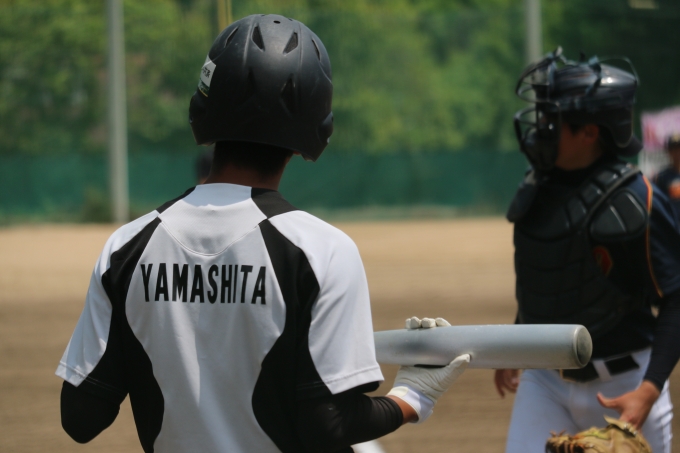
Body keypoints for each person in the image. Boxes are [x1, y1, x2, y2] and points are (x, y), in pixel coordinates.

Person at [56, 14, 469, 453]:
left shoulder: (126, 248)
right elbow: (327, 426)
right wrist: (413, 397)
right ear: (315, 125)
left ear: (204, 106)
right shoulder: (322, 251)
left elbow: (81, 417)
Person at [494, 48, 680, 453]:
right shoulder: (537, 190)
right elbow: (546, 279)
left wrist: (649, 391)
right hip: (545, 379)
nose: (541, 128)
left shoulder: (637, 201)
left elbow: (676, 299)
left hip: (626, 386)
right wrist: (516, 342)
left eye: (553, 120)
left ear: (590, 132)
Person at [653, 134, 680, 222]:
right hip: (672, 225)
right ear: (668, 152)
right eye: (674, 149)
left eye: (679, 148)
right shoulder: (662, 177)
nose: (677, 152)